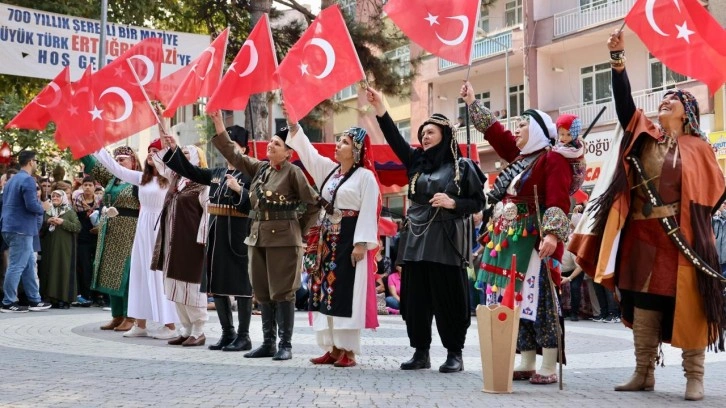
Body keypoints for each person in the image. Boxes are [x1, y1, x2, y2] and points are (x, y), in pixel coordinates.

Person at [569, 30, 726, 401]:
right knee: (643, 303)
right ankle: (643, 373)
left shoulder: (699, 148)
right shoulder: (645, 137)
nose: (664, 103)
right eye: (663, 99)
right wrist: (617, 58)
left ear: (688, 114)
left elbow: (715, 193)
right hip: (642, 234)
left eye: (673, 100)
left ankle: (695, 376)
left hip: (683, 239)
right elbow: (625, 106)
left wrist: (693, 224)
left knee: (688, 305)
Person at [367, 87, 487, 373]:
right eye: (422, 133)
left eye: (430, 132)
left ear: (445, 135)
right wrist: (381, 107)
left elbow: (479, 203)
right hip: (416, 238)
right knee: (416, 300)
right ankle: (421, 352)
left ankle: (454, 353)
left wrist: (453, 201)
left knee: (450, 300)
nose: (424, 136)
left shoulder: (462, 167)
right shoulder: (416, 164)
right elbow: (395, 139)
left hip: (446, 241)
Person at [462, 81, 571, 384]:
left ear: (537, 130)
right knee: (516, 298)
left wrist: (551, 235)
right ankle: (525, 359)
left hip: (534, 241)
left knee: (541, 299)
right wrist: (472, 102)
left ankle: (548, 363)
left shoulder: (552, 159)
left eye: (523, 125)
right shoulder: (522, 158)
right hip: (508, 239)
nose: (518, 130)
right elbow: (497, 134)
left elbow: (559, 199)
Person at [209, 110, 319, 361]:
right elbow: (234, 155)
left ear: (288, 152)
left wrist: (297, 229)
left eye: (277, 144)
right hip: (258, 237)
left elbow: (313, 203)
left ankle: (285, 344)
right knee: (263, 291)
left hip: (283, 240)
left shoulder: (293, 173)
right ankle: (268, 343)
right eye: (270, 142)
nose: (271, 145)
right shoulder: (261, 169)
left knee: (283, 292)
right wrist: (218, 123)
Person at [287, 116, 381, 368]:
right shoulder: (329, 171)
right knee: (323, 291)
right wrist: (295, 127)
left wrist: (361, 243)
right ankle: (333, 348)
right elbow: (309, 154)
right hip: (326, 240)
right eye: (339, 140)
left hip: (349, 239)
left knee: (345, 294)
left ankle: (348, 351)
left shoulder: (365, 177)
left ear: (357, 149)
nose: (338, 145)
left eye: (344, 142)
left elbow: (370, 209)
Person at [159, 124, 254, 351]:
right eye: (226, 148)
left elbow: (253, 204)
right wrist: (174, 150)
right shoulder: (217, 173)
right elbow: (192, 172)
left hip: (239, 233)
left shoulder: (251, 174)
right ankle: (227, 333)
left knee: (242, 287)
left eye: (234, 147)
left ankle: (243, 335)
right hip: (216, 233)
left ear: (245, 150)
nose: (228, 153)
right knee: (217, 285)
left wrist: (241, 191)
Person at [90, 139, 179, 339]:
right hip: (142, 227)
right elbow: (115, 168)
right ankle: (140, 324)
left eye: (156, 151)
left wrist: (165, 133)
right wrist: (96, 146)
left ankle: (170, 325)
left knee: (158, 275)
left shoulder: (171, 178)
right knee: (139, 274)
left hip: (160, 227)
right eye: (149, 151)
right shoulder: (142, 179)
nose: (151, 154)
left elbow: (177, 157)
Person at [81, 146, 148, 332]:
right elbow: (92, 164)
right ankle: (116, 315)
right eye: (116, 159)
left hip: (130, 231)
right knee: (111, 273)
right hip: (110, 231)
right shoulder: (111, 178)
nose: (119, 162)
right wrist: (80, 144)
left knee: (126, 275)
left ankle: (130, 315)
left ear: (133, 161)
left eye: (123, 159)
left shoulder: (139, 179)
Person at [151, 143, 209, 347]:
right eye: (180, 154)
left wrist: (202, 240)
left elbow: (208, 214)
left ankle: (199, 330)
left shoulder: (203, 183)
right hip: (172, 242)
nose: (181, 158)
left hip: (192, 242)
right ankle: (186, 329)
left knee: (191, 287)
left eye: (186, 154)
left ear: (196, 158)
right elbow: (160, 161)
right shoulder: (176, 179)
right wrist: (165, 137)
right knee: (175, 285)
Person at [1, 151, 52, 313]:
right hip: (21, 228)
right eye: (36, 161)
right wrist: (42, 208)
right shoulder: (28, 180)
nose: (36, 164)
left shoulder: (12, 179)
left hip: (10, 226)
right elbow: (31, 205)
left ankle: (34, 300)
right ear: (30, 162)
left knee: (29, 263)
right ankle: (8, 302)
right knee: (16, 265)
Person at [39, 190, 81, 308]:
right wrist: (48, 221)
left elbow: (77, 227)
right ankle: (50, 298)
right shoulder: (47, 211)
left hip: (65, 248)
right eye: (53, 196)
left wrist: (63, 222)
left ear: (63, 197)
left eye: (58, 196)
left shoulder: (69, 212)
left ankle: (64, 299)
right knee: (49, 269)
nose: (55, 198)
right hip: (49, 247)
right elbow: (40, 228)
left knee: (63, 269)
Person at [72, 176, 102, 307]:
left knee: (97, 266)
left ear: (95, 187)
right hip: (82, 239)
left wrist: (99, 228)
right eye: (85, 185)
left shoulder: (100, 203)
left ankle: (98, 295)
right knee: (85, 267)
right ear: (82, 187)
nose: (88, 187)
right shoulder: (76, 203)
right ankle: (86, 294)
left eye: (90, 185)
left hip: (97, 238)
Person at [553, 114, 587, 195]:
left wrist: (554, 150)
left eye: (568, 134)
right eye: (562, 134)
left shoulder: (577, 146)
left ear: (575, 133)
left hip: (575, 175)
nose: (564, 137)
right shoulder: (561, 143)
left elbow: (569, 153)